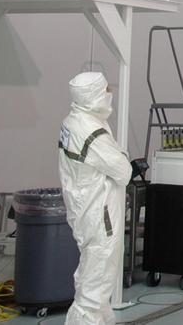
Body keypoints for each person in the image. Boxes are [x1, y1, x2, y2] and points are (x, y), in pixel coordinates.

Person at [58, 72, 132, 325]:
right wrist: (122, 154)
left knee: (92, 274)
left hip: (84, 209)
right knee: (96, 284)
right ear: (95, 96)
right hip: (102, 216)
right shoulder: (92, 132)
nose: (110, 94)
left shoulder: (73, 121)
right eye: (106, 90)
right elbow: (124, 171)